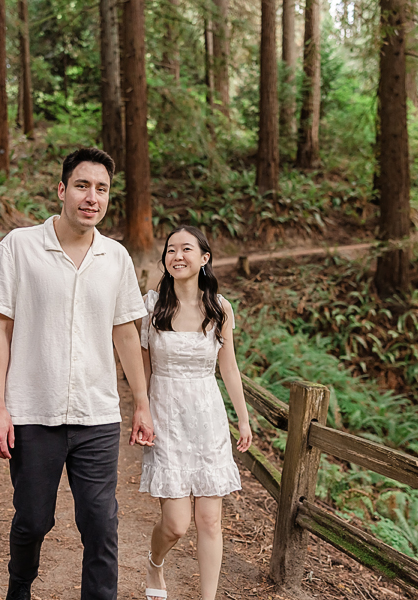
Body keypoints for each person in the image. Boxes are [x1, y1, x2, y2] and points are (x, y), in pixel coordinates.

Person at [0, 147, 155, 600]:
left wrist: (142, 404)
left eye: (102, 189)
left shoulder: (116, 258)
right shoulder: (19, 247)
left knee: (101, 523)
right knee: (33, 520)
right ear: (62, 190)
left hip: (97, 415)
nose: (92, 197)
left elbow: (126, 334)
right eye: (82, 186)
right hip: (34, 412)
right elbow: (0, 328)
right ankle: (19, 588)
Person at [138, 226, 253, 600]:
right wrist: (142, 412)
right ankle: (155, 563)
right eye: (171, 249)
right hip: (166, 416)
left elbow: (229, 367)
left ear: (204, 258)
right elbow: (142, 369)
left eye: (186, 249)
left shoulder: (220, 308)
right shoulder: (152, 306)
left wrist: (243, 418)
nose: (177, 255)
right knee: (176, 525)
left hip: (207, 419)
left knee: (210, 520)